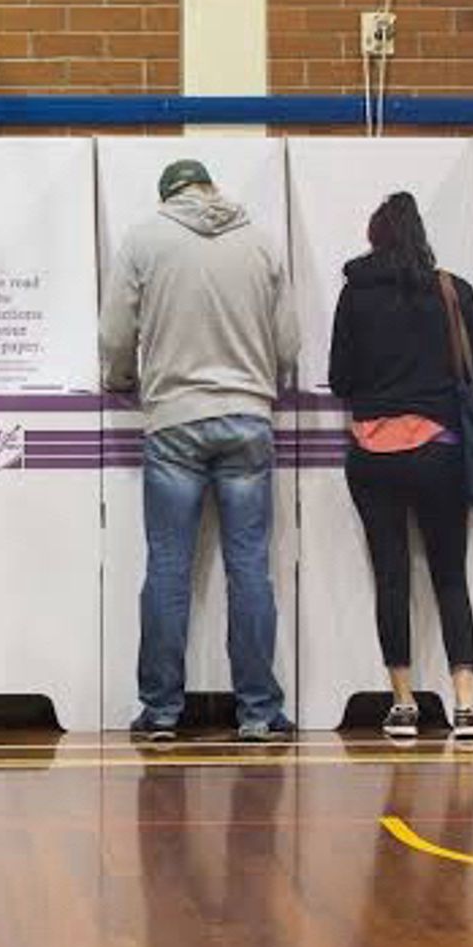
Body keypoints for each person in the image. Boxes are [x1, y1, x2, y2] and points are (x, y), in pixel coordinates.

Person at [101, 160, 300, 743]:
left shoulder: (142, 240)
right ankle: (259, 711)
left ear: (168, 194)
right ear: (212, 187)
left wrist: (120, 380)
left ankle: (162, 712)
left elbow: (115, 335)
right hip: (247, 418)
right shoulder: (261, 244)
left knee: (167, 568)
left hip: (174, 421)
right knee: (250, 569)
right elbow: (289, 342)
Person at [328, 192, 473, 742]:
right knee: (450, 577)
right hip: (439, 450)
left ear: (375, 237)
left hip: (373, 454)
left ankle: (402, 705)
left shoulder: (354, 295)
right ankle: (465, 706)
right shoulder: (453, 290)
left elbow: (340, 379)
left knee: (391, 578)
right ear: (421, 234)